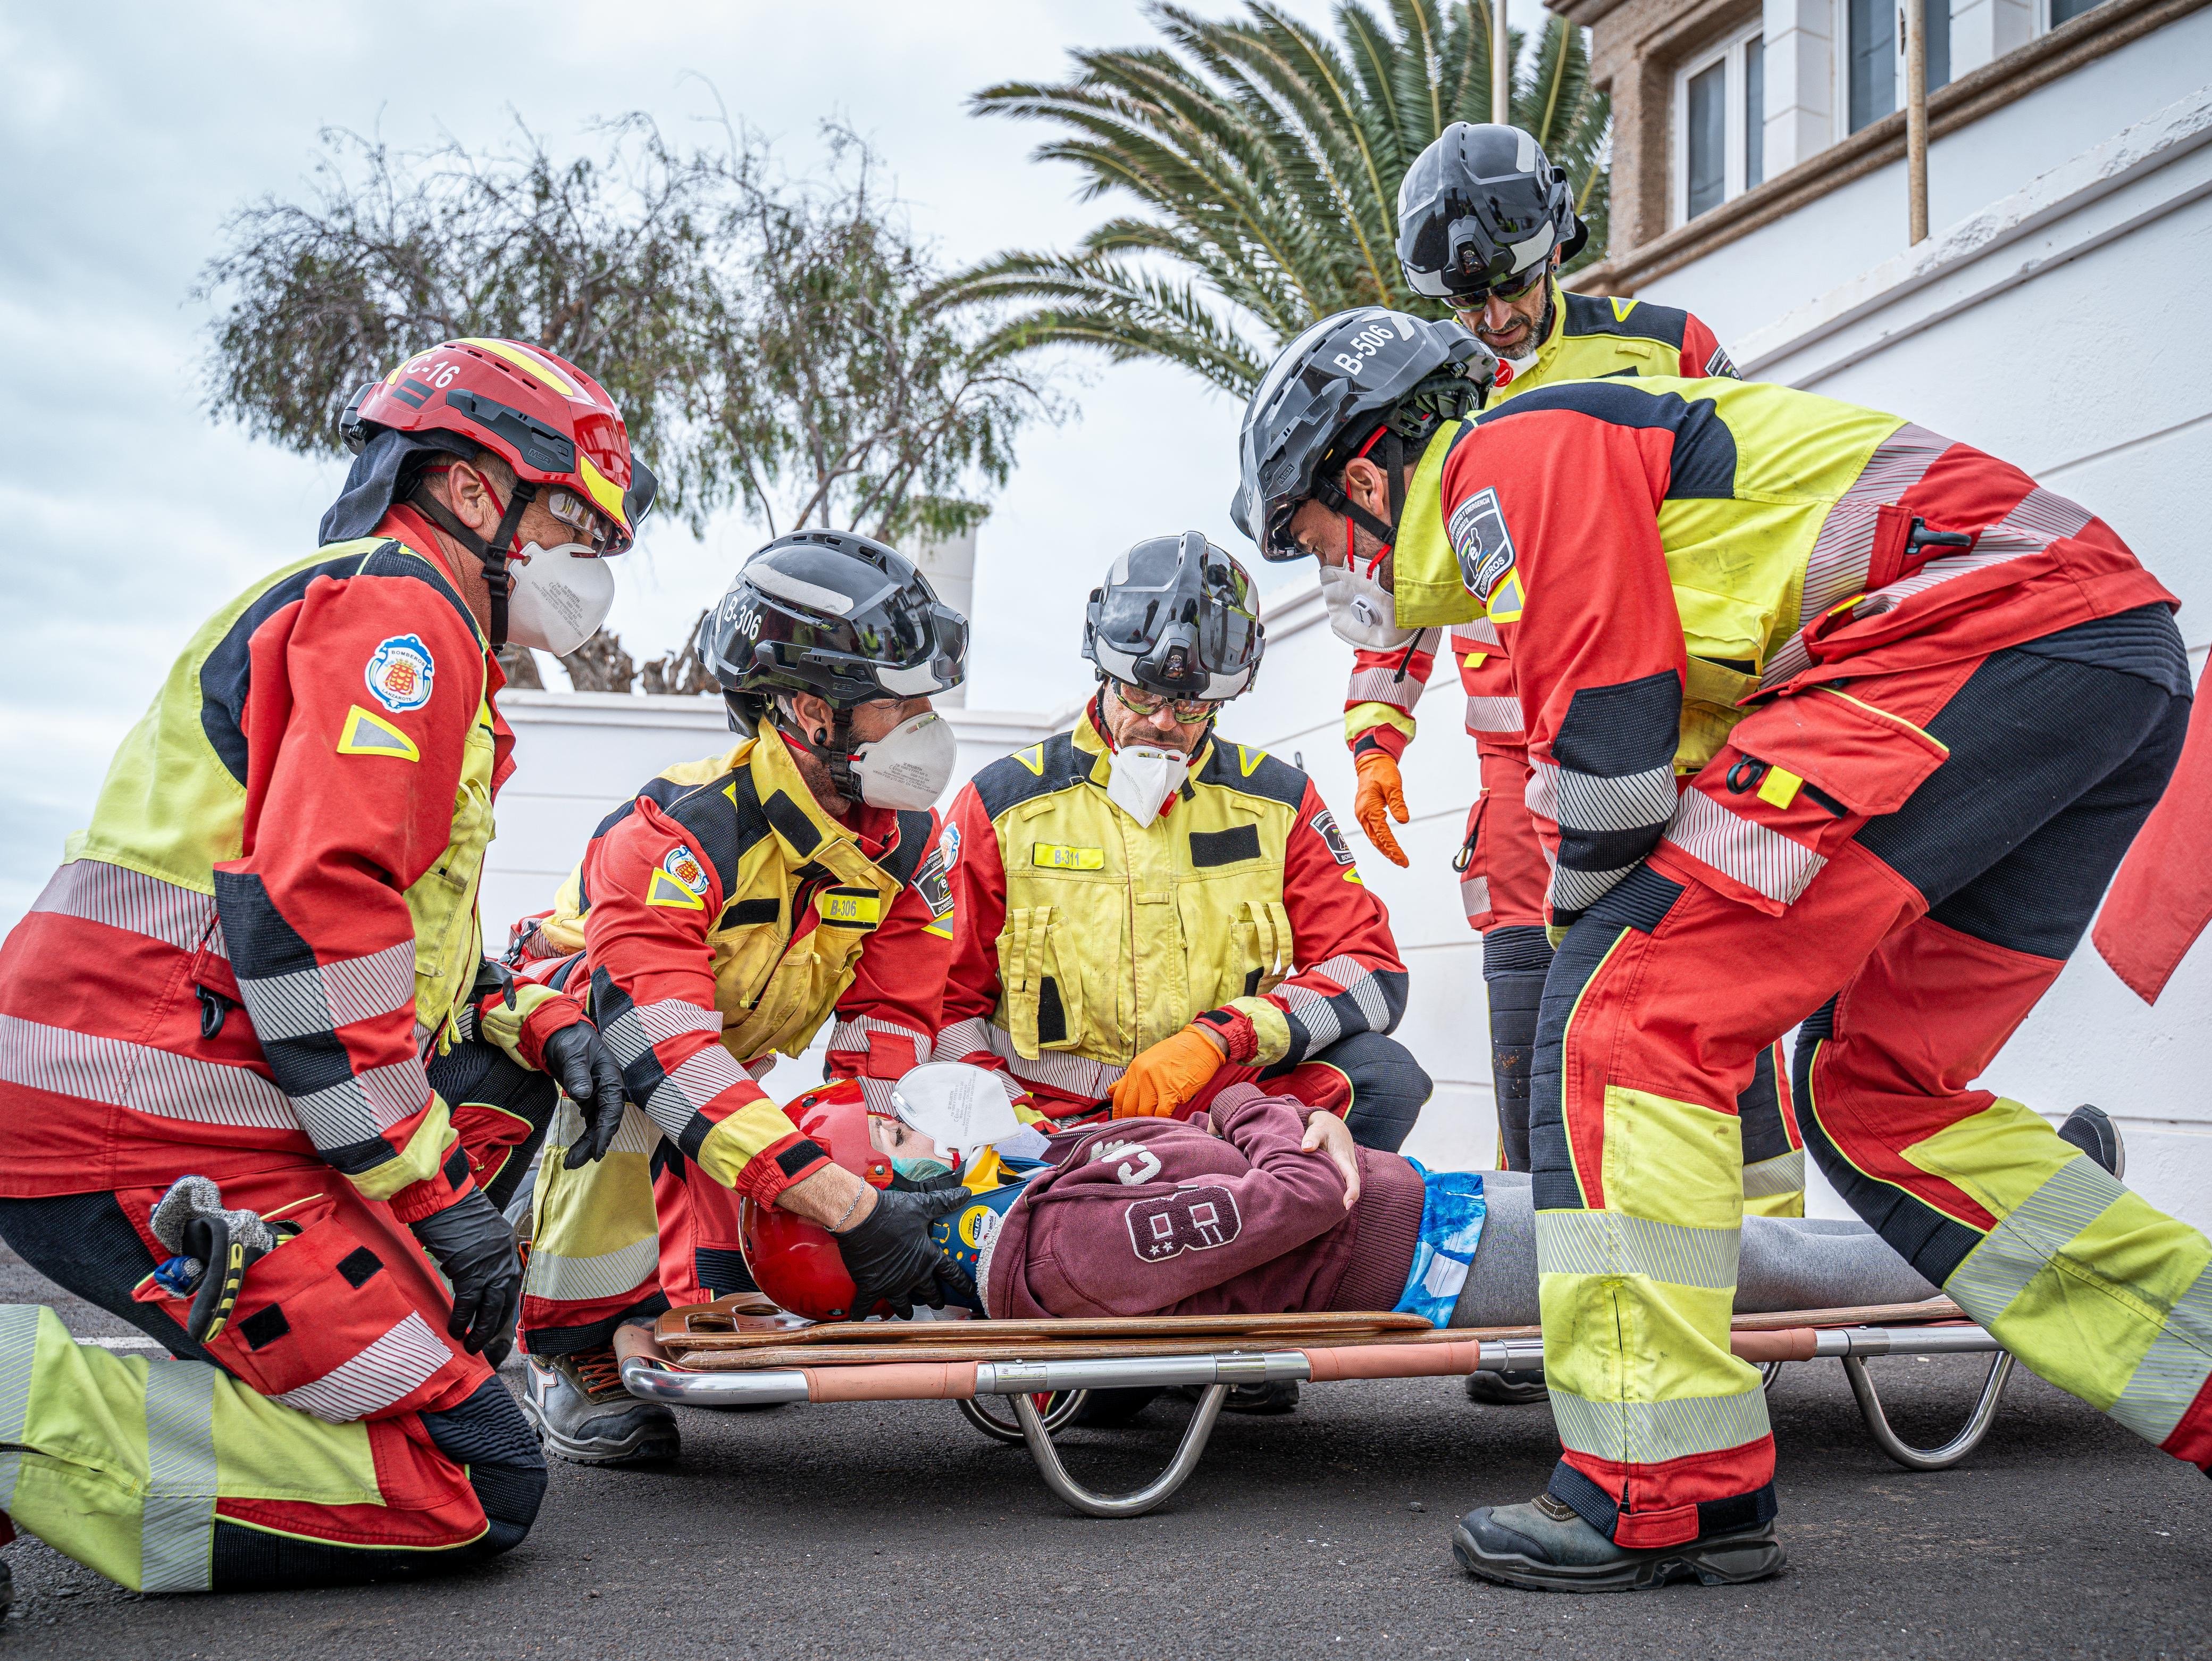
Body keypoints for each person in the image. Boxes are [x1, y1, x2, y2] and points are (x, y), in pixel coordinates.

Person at [1235, 305, 2207, 1591]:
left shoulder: (1507, 457)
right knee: (1875, 1097)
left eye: (1313, 541)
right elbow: (1679, 753)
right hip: (2087, 655)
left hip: (1968, 634)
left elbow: (1614, 754)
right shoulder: (1607, 478)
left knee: (1625, 1016)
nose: (1332, 574)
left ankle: (1660, 1486)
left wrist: (1589, 928)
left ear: (1363, 478)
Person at [0, 338, 652, 1592]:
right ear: (474, 492)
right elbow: (314, 917)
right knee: (468, 1480)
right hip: (147, 1114)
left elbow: (401, 941)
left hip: (179, 1099)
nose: (588, 569)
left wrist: (526, 1019)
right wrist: (434, 1198)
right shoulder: (402, 616)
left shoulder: (390, 619)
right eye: (574, 522)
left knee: (446, 1426)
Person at [1326, 124, 1769, 1203]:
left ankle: (1774, 1277)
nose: (1492, 320)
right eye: (1465, 304)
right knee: (1533, 1019)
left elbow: (1752, 503)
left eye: (1509, 290)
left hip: (1687, 727)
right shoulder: (1433, 393)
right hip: (1512, 764)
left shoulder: (1668, 346)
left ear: (1556, 243)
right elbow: (1403, 564)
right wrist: (1377, 732)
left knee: (1732, 993)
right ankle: (1542, 1289)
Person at [511, 530, 973, 1468]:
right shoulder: (677, 835)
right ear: (811, 712)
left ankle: (675, 1283)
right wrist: (842, 1205)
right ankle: (572, 1347)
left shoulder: (913, 846)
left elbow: (890, 1021)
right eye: (900, 701)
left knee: (716, 1295)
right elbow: (663, 1050)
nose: (927, 723)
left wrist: (888, 1167)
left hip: (715, 1059)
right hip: (558, 1050)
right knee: (620, 1081)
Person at [934, 533, 1430, 1154]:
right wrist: (1008, 1126)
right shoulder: (1003, 804)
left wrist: (1223, 1038)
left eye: (1192, 704)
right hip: (1049, 1124)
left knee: (1386, 1077)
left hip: (1222, 1108)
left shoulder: (1279, 802)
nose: (1165, 724)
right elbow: (942, 1002)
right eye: (1142, 694)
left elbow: (1371, 973)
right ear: (1102, 670)